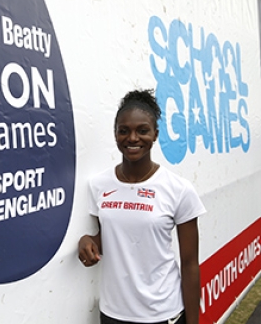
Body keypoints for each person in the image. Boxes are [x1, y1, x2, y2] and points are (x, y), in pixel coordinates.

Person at [78, 89, 206, 324]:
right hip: (113, 313)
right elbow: (114, 238)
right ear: (115, 134)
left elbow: (189, 265)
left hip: (162, 313)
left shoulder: (178, 189)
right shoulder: (98, 185)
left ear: (155, 134)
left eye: (142, 130)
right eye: (124, 131)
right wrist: (88, 241)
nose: (133, 138)